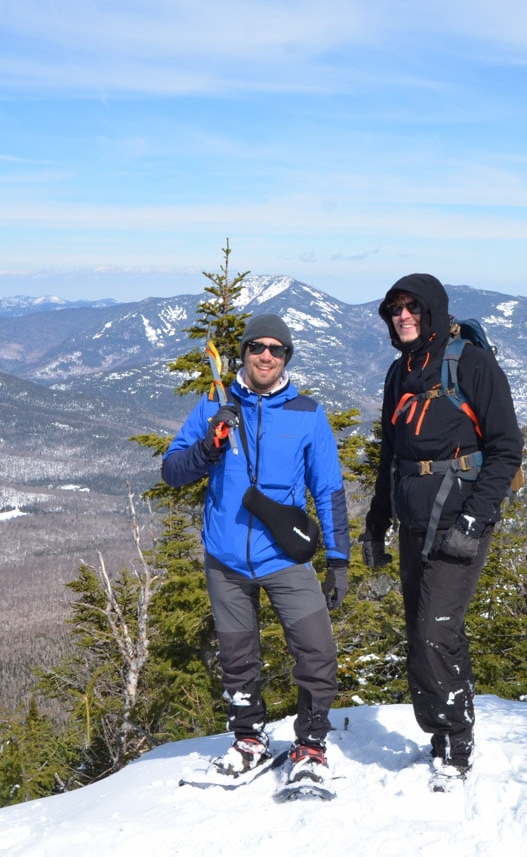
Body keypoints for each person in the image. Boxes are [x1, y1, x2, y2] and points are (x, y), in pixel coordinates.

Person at [162, 314, 350, 788]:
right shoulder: (214, 405)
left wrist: (339, 559)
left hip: (284, 557)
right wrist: (209, 446)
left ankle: (310, 745)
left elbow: (328, 489)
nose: (266, 355)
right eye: (257, 347)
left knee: (316, 652)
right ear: (244, 352)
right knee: (238, 656)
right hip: (225, 559)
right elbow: (172, 471)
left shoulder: (308, 412)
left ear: (286, 357)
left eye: (277, 349)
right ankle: (250, 739)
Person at [359, 274, 523, 787]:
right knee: (423, 631)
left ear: (432, 311)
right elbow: (392, 456)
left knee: (436, 631)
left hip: (459, 518)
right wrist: (376, 521)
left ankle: (456, 746)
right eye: (395, 309)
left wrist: (474, 520)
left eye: (412, 307)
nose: (402, 316)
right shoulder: (398, 372)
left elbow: (506, 448)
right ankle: (440, 736)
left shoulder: (471, 364)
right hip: (412, 518)